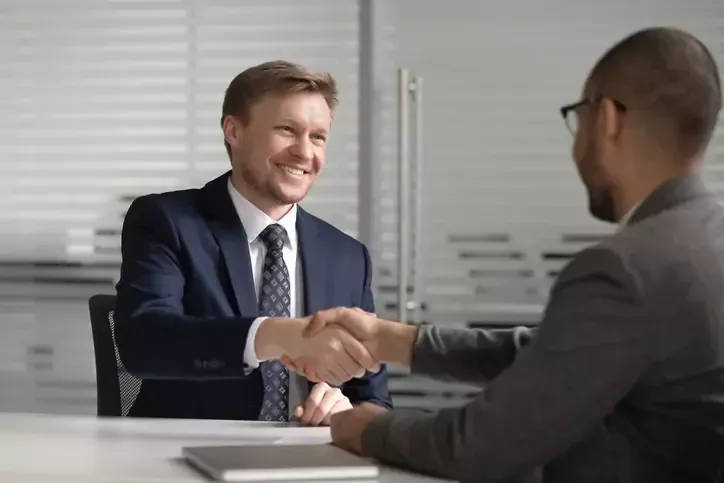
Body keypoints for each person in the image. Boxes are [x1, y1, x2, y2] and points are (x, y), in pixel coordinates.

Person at [284, 27, 724, 481]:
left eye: (579, 116)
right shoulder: (704, 242)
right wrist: (396, 341)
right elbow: (558, 358)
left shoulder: (626, 268)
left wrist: (366, 428)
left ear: (608, 119)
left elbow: (480, 446)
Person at [114, 60, 390, 425]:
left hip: (308, 462)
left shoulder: (348, 257)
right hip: (186, 456)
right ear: (233, 130)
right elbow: (144, 344)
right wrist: (274, 335)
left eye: (318, 137)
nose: (305, 152)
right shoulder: (166, 220)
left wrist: (348, 412)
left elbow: (376, 401)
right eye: (287, 130)